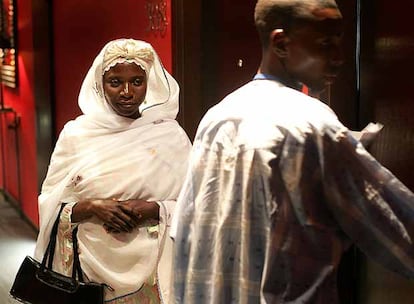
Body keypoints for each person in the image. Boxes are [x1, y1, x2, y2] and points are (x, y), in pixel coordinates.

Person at [171, 0, 414, 303]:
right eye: (326, 43)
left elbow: (184, 234)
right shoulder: (313, 125)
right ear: (281, 43)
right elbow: (397, 226)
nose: (338, 57)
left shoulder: (217, 117)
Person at [34, 38, 192, 303]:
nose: (127, 92)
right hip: (87, 271)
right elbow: (51, 203)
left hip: (153, 275)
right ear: (100, 84)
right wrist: (94, 207)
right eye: (116, 82)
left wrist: (155, 209)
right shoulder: (77, 135)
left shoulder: (170, 136)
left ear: (149, 83)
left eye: (137, 82)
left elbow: (195, 204)